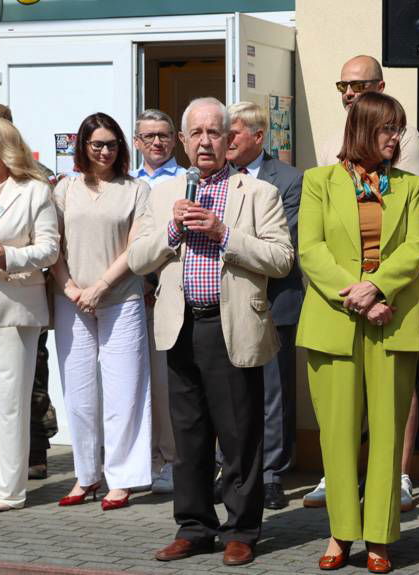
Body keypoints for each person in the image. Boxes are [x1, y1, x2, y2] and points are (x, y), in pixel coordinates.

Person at [130, 97, 293, 567]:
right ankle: (195, 526)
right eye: (196, 133)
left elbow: (281, 258)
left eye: (215, 133)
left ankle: (242, 529)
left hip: (232, 325)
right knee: (189, 437)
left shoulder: (256, 192)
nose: (205, 141)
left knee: (240, 434)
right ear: (182, 141)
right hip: (181, 327)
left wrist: (224, 233)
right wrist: (172, 232)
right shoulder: (160, 194)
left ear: (230, 140)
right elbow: (139, 259)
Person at [298, 91, 419, 574]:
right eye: (387, 128)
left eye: (399, 128)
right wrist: (352, 296)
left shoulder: (410, 186)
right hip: (334, 322)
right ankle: (340, 533)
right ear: (362, 130)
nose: (396, 137)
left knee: (388, 434)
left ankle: (380, 536)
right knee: (337, 435)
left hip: (391, 318)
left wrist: (375, 287)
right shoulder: (319, 181)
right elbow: (310, 250)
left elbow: (416, 246)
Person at [51, 113, 152, 511]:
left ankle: (122, 479)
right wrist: (71, 288)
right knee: (78, 393)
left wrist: (99, 287)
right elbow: (53, 245)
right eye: (97, 145)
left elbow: (136, 247)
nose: (105, 151)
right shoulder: (64, 189)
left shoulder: (136, 189)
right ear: (84, 147)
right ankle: (87, 474)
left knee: (124, 391)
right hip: (71, 298)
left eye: (111, 144)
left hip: (120, 296)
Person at [225, 100, 304, 510]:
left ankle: (272, 473)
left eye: (232, 132)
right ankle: (231, 468)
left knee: (273, 392)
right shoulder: (212, 177)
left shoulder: (288, 179)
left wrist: (225, 238)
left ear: (258, 137)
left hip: (273, 298)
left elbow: (283, 241)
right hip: (222, 299)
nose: (224, 140)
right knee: (227, 389)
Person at [0, 117, 58, 511]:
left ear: (6, 148)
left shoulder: (33, 191)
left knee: (11, 399)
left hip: (13, 301)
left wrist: (7, 256)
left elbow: (49, 250)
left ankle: (8, 491)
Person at [130, 108, 184, 494]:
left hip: (165, 293)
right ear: (136, 142)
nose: (157, 142)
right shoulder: (127, 183)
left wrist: (153, 281)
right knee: (133, 383)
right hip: (128, 296)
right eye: (148, 136)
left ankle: (170, 459)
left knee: (168, 385)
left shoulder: (186, 181)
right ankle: (139, 459)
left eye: (163, 135)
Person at [317, 54, 419, 177]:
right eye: (343, 86)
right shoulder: (331, 143)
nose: (348, 93)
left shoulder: (403, 137)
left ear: (380, 87)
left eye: (357, 86)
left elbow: (401, 190)